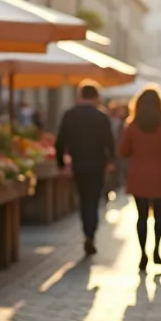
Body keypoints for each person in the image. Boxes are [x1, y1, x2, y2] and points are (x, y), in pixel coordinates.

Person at [119, 86, 161, 271]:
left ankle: (142, 254)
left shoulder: (132, 126)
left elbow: (123, 151)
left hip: (139, 174)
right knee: (159, 215)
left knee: (141, 217)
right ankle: (156, 249)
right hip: (160, 174)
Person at [55, 82, 116, 255]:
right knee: (93, 200)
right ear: (96, 97)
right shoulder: (101, 116)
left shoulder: (69, 115)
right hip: (97, 164)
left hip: (78, 163)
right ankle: (91, 233)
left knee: (83, 200)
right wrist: (111, 161)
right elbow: (110, 142)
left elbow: (60, 142)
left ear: (80, 95)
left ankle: (86, 232)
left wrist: (61, 164)